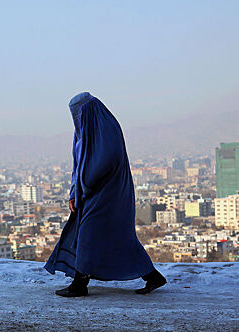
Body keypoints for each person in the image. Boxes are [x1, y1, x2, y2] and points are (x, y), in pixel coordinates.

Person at [44, 92, 167, 297]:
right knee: (117, 237)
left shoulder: (107, 129)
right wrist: (75, 192)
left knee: (88, 235)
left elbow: (107, 160)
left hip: (109, 194)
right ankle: (152, 276)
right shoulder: (84, 131)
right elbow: (78, 165)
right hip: (90, 194)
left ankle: (80, 283)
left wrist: (86, 184)